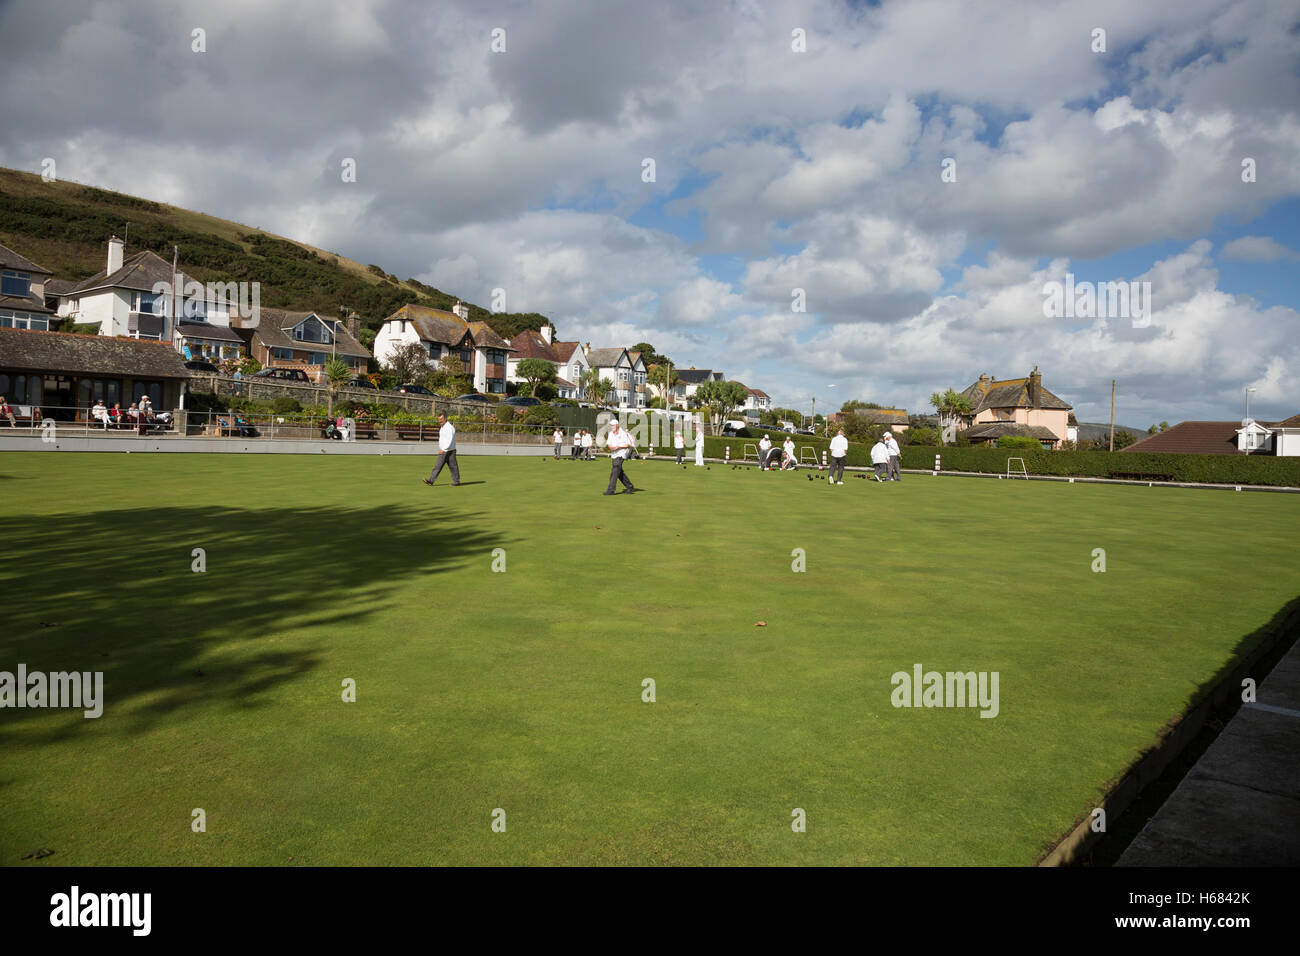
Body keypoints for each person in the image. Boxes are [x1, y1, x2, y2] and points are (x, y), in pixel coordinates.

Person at [423, 413, 461, 486]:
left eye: (441, 419)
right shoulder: (442, 427)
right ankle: (431, 481)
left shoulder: (449, 427)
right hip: (446, 450)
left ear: (445, 419)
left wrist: (443, 449)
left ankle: (456, 482)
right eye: (439, 419)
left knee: (451, 466)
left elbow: (449, 440)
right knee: (442, 466)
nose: (440, 421)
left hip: (449, 450)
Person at [603, 420, 637, 495]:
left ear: (617, 425)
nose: (611, 427)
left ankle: (611, 490)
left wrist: (618, 447)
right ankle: (630, 486)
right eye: (611, 425)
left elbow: (629, 444)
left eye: (613, 425)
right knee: (619, 472)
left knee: (615, 469)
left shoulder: (624, 433)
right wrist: (611, 447)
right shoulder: (611, 433)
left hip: (622, 454)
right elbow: (608, 443)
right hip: (614, 454)